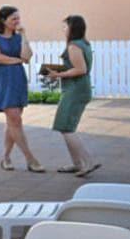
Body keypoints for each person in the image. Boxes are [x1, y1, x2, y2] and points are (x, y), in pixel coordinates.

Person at [0, 7, 43, 171]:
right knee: (15, 120)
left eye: (18, 18)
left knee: (12, 121)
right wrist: (17, 61)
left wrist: (24, 36)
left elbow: (27, 57)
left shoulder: (18, 38)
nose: (17, 21)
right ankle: (31, 159)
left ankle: (5, 158)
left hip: (17, 78)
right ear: (3, 20)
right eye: (13, 19)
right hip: (2, 79)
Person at [40, 14, 100, 175]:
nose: (63, 29)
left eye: (65, 26)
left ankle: (88, 163)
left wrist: (57, 75)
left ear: (72, 28)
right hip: (78, 88)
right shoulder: (84, 43)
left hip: (75, 90)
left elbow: (81, 69)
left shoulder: (74, 46)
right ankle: (77, 164)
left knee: (66, 128)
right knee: (66, 127)